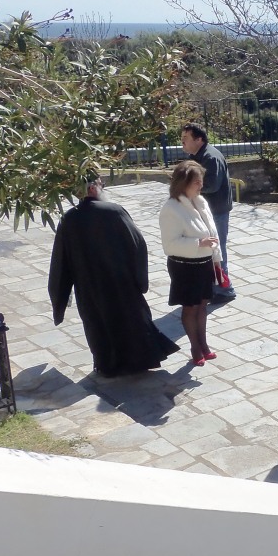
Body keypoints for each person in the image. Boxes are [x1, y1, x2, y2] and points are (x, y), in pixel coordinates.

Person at [49, 174, 179, 376]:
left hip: (90, 287)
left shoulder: (69, 219)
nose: (103, 187)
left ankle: (107, 366)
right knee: (130, 322)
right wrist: (140, 280)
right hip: (121, 283)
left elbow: (60, 261)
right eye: (101, 184)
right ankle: (137, 363)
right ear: (92, 188)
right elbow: (138, 245)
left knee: (98, 325)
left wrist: (60, 297)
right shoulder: (114, 211)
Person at [159, 161, 222, 366]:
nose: (201, 186)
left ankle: (204, 344)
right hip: (184, 266)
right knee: (190, 307)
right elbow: (170, 245)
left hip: (204, 263)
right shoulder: (171, 209)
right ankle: (195, 347)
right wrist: (198, 243)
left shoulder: (200, 202)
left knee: (202, 305)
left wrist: (217, 260)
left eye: (201, 181)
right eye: (197, 182)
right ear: (183, 183)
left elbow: (213, 234)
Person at [181, 123, 236, 303]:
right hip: (206, 211)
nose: (182, 142)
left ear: (199, 139)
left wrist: (187, 185)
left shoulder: (210, 158)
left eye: (186, 138)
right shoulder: (196, 156)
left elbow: (212, 185)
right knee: (209, 250)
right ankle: (214, 288)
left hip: (216, 212)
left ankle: (225, 290)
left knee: (216, 250)